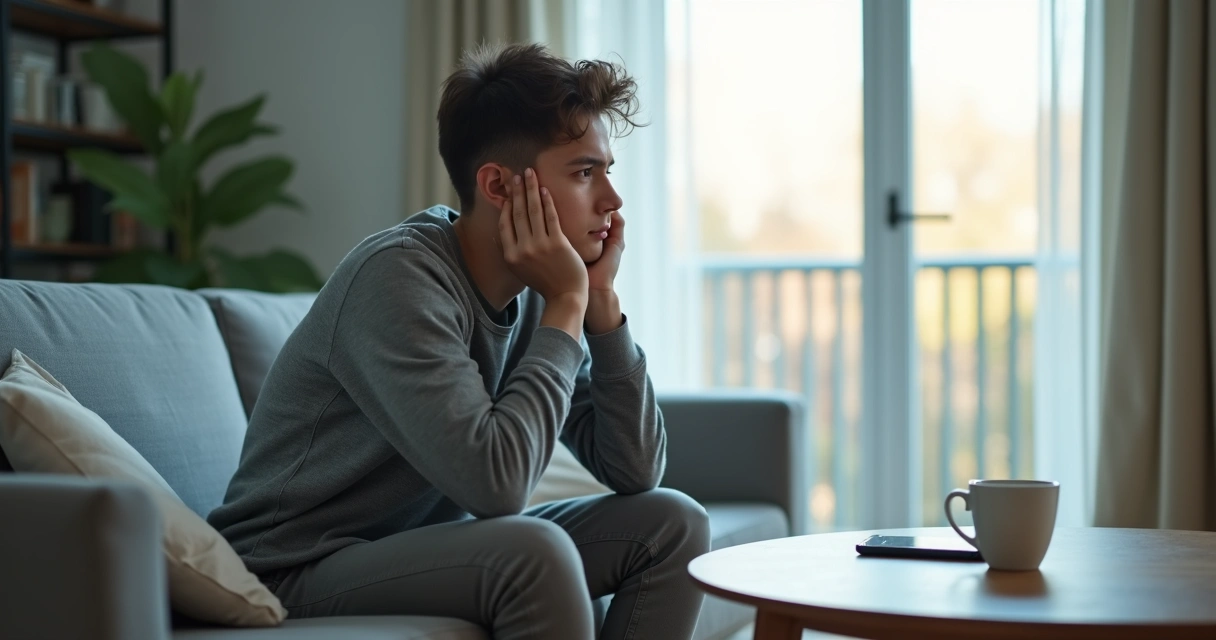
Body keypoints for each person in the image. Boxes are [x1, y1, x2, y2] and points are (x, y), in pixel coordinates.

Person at [208, 41, 710, 640]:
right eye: (583, 172)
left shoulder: (534, 291)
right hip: (291, 567)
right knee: (534, 551)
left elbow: (634, 469)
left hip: (415, 551)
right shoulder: (397, 278)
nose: (612, 200)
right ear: (498, 186)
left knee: (673, 522)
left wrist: (599, 305)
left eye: (607, 171)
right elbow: (496, 485)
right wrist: (569, 305)